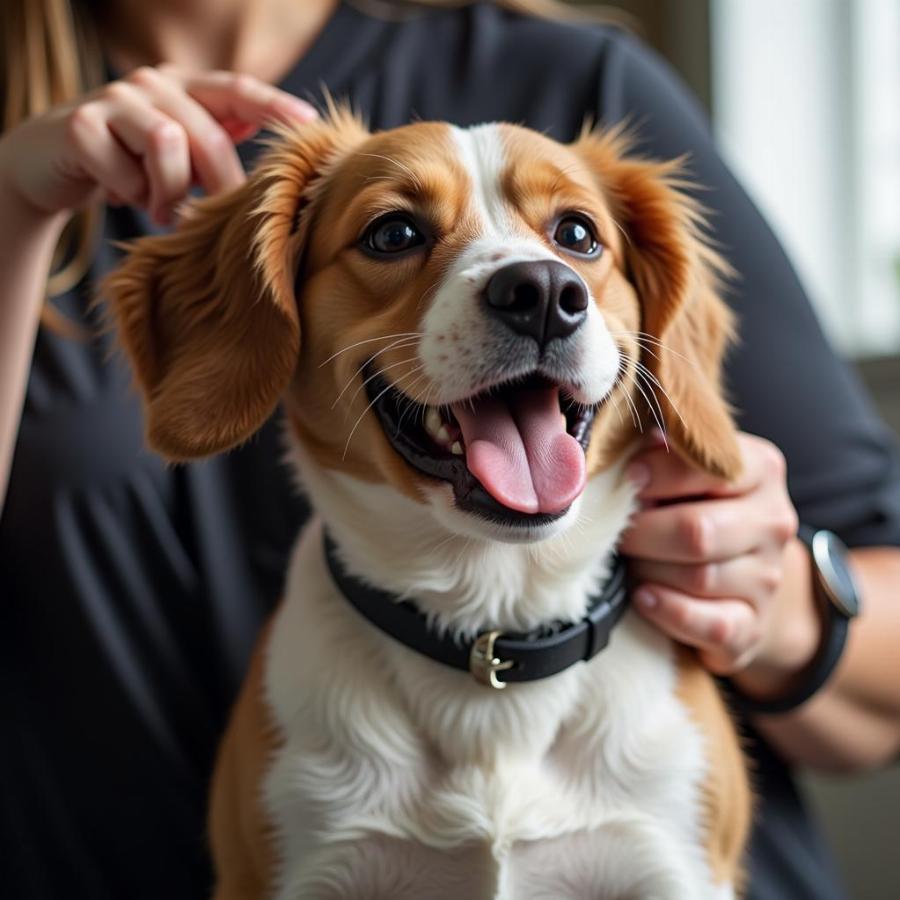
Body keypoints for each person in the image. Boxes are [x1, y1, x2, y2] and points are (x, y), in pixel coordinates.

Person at [1, 0, 898, 897]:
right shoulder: (33, 161)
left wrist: (773, 606)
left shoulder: (585, 71)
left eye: (576, 238)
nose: (539, 281)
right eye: (396, 235)